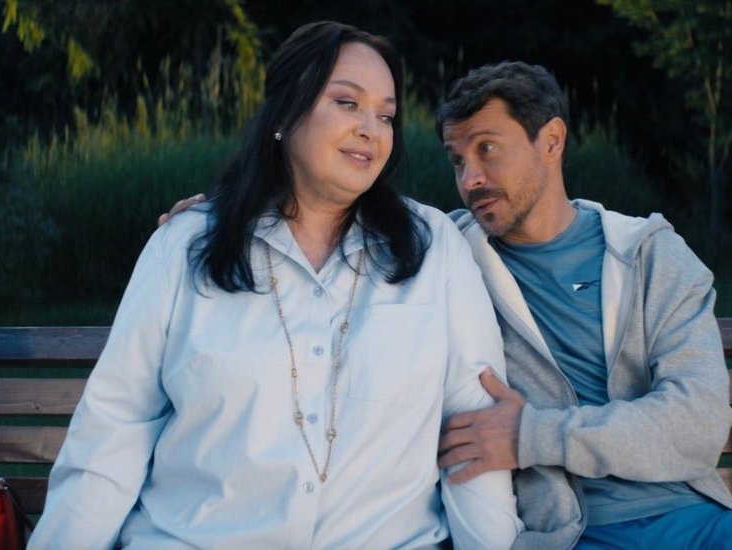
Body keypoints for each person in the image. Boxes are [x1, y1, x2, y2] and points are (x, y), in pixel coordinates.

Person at [28, 22, 523, 549]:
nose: (371, 129)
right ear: (286, 112)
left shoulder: (434, 247)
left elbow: (474, 433)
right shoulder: (186, 245)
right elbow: (113, 430)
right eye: (347, 103)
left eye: (385, 115)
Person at [433, 61, 732, 549]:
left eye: (486, 148)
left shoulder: (649, 255)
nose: (470, 179)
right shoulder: (450, 262)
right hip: (573, 536)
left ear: (551, 140)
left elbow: (698, 421)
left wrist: (530, 434)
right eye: (457, 160)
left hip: (696, 523)